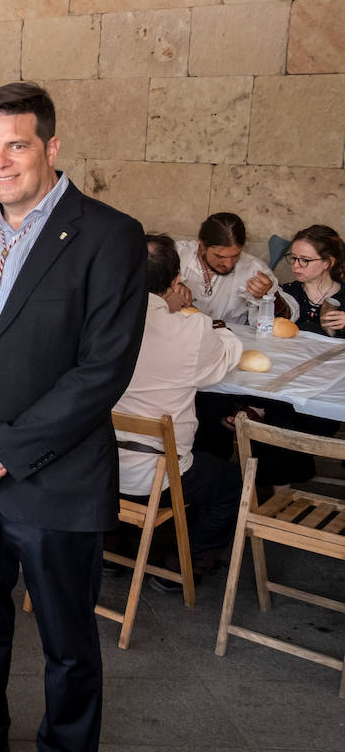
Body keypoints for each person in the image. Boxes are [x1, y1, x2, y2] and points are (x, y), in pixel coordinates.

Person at [0, 82, 147, 752]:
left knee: (67, 640)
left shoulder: (109, 235)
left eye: (16, 144)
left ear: (51, 145)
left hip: (55, 479)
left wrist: (9, 446)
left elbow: (103, 370)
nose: (1, 161)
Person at [115, 235, 243, 590]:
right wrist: (214, 325)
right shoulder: (191, 330)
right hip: (157, 472)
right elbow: (224, 360)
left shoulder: (93, 321)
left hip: (92, 463)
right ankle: (179, 563)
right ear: (174, 282)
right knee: (232, 483)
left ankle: (112, 543)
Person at [175, 213, 279, 324]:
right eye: (220, 256)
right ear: (202, 244)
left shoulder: (254, 270)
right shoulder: (174, 255)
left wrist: (266, 295)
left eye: (236, 255)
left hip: (231, 339)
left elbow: (279, 322)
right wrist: (169, 286)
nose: (228, 264)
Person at [280, 224, 345, 337]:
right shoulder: (285, 293)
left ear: (328, 263)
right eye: (294, 258)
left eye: (305, 260)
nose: (296, 265)